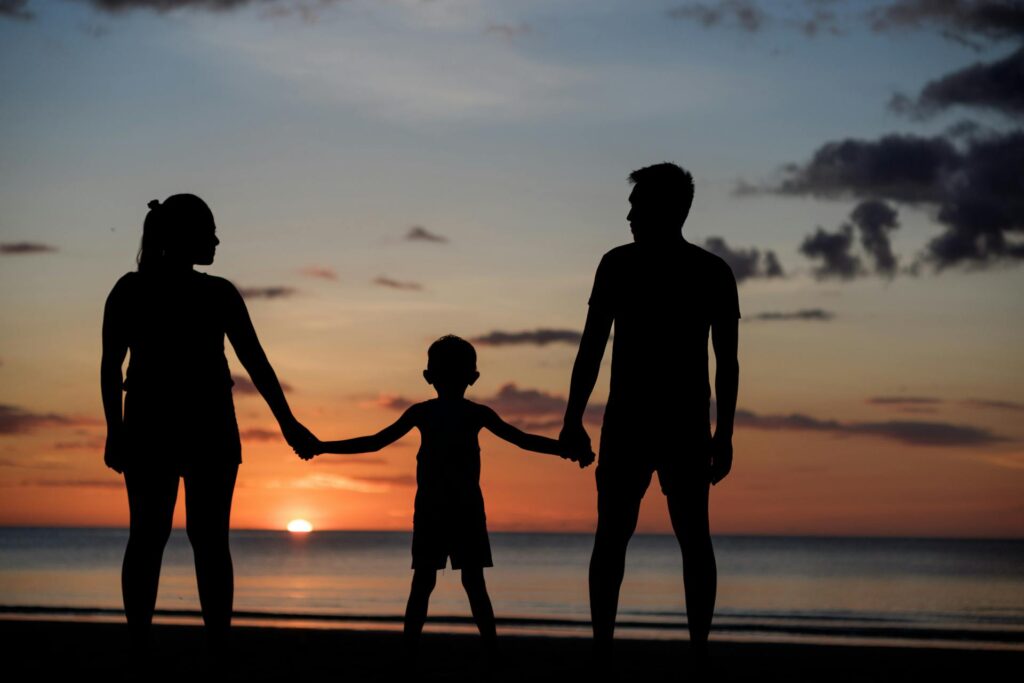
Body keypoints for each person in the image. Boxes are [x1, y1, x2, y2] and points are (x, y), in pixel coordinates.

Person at [101, 194, 315, 662]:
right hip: (173, 428)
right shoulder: (141, 291)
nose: (218, 239)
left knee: (186, 540)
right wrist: (114, 432)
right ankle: (165, 646)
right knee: (166, 539)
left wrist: (289, 424)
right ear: (182, 237)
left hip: (195, 429)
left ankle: (199, 645)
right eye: (209, 231)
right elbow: (110, 366)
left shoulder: (208, 293)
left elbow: (256, 363)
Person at [299, 335, 592, 663]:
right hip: (450, 510)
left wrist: (323, 446)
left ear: (429, 376)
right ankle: (481, 653)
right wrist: (565, 450)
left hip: (442, 510)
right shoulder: (457, 414)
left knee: (432, 583)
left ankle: (421, 653)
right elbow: (522, 440)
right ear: (473, 376)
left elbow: (375, 442)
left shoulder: (441, 413)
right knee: (461, 583)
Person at [559, 163, 740, 665]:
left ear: (668, 209)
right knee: (618, 538)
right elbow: (591, 347)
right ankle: (605, 650)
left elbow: (728, 361)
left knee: (687, 539)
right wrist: (572, 418)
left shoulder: (710, 272)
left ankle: (694, 651)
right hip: (634, 424)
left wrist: (723, 435)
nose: (629, 214)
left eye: (638, 205)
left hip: (677, 427)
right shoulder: (621, 264)